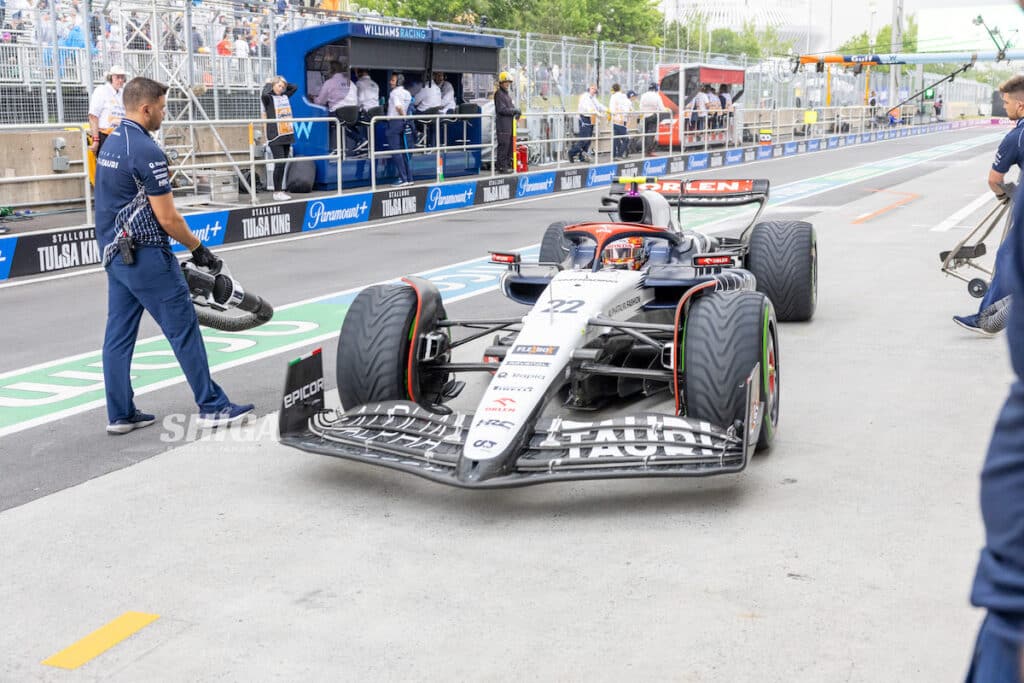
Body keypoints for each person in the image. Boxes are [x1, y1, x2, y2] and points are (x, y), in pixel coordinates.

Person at [94, 77, 253, 435]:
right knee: (184, 330)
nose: (164, 113)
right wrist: (199, 249)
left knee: (118, 337)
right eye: (163, 107)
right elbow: (168, 218)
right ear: (146, 108)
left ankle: (119, 413)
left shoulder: (111, 142)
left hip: (114, 256)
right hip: (147, 255)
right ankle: (213, 406)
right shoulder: (147, 151)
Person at [954, 75, 1024, 335]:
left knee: (1007, 257)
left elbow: (995, 180)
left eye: (1006, 102)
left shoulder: (1016, 136)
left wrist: (1006, 195)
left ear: (1020, 106)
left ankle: (987, 320)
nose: (1004, 106)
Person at [260, 75, 297, 201]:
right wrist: (269, 83)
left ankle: (280, 190)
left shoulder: (284, 96)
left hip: (287, 133)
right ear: (273, 85)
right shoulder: (268, 98)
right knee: (279, 162)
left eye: (282, 87)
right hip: (275, 135)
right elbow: (264, 93)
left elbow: (294, 87)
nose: (281, 88)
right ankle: (277, 192)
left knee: (283, 164)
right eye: (278, 86)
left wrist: (283, 82)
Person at [314, 61, 358, 152]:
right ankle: (359, 139)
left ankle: (328, 148)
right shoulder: (351, 83)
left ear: (331, 70)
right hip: (354, 114)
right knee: (344, 124)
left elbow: (320, 102)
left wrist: (313, 98)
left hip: (339, 114)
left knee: (324, 119)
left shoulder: (329, 83)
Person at [88, 64, 126, 155]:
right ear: (111, 78)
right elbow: (93, 116)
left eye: (122, 77)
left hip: (119, 136)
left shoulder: (122, 93)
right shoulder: (102, 91)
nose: (120, 80)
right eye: (117, 77)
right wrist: (96, 140)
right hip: (105, 135)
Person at [386, 72, 413, 186]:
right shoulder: (407, 93)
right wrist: (405, 120)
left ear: (398, 82)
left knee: (396, 151)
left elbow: (398, 107)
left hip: (395, 122)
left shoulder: (394, 93)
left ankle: (403, 179)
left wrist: (403, 117)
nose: (390, 82)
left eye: (392, 80)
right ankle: (409, 178)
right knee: (403, 151)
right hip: (403, 123)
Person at [568, 83, 604, 163]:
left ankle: (582, 157)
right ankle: (571, 152)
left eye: (595, 89)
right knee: (584, 139)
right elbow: (588, 108)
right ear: (589, 88)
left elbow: (599, 106)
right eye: (593, 88)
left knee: (588, 141)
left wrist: (607, 110)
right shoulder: (585, 97)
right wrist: (598, 114)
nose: (594, 90)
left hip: (591, 118)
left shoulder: (593, 98)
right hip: (584, 118)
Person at [493, 70, 518, 174]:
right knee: (504, 145)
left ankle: (506, 165)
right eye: (505, 82)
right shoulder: (499, 94)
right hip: (503, 125)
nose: (507, 84)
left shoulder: (506, 94)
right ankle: (502, 167)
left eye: (509, 82)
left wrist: (516, 111)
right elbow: (501, 109)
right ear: (501, 83)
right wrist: (514, 110)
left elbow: (510, 108)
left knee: (508, 146)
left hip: (508, 125)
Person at [639, 82, 666, 154]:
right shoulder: (657, 96)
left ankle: (644, 150)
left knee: (645, 133)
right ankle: (648, 151)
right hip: (653, 116)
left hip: (645, 116)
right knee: (651, 134)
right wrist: (667, 110)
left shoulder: (643, 95)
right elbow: (662, 108)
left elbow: (640, 107)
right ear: (656, 88)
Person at [608, 83, 630, 159]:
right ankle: (619, 154)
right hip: (622, 120)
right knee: (626, 139)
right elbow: (627, 107)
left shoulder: (613, 97)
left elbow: (611, 109)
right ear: (620, 88)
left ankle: (614, 155)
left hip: (614, 120)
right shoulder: (623, 96)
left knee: (615, 138)